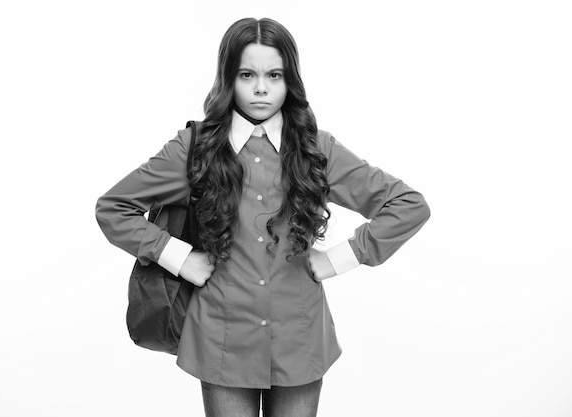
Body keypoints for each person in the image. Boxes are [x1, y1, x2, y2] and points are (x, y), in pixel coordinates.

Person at [95, 17, 430, 417]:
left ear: (290, 80)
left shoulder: (315, 149)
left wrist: (340, 259)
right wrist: (180, 258)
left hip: (300, 340)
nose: (260, 88)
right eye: (246, 74)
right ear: (227, 79)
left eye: (274, 75)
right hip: (220, 339)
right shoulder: (193, 149)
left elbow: (408, 205)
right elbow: (113, 208)